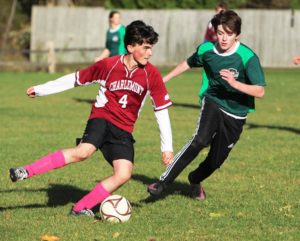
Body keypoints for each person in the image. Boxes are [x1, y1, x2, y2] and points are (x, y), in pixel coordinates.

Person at [9, 20, 174, 217]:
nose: (150, 53)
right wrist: (41, 90)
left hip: (124, 129)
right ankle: (25, 171)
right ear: (130, 47)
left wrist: (167, 147)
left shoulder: (152, 75)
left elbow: (161, 110)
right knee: (83, 152)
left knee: (124, 174)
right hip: (102, 118)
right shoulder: (108, 65)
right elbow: (75, 79)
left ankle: (80, 208)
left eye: (151, 48)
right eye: (146, 48)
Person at [147, 10, 266, 201]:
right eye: (220, 33)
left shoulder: (247, 57)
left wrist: (235, 84)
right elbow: (188, 63)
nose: (224, 38)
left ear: (237, 35)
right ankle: (163, 182)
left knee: (215, 161)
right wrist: (164, 79)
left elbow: (260, 91)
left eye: (228, 33)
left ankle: (194, 180)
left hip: (236, 114)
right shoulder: (207, 50)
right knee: (199, 140)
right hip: (213, 101)